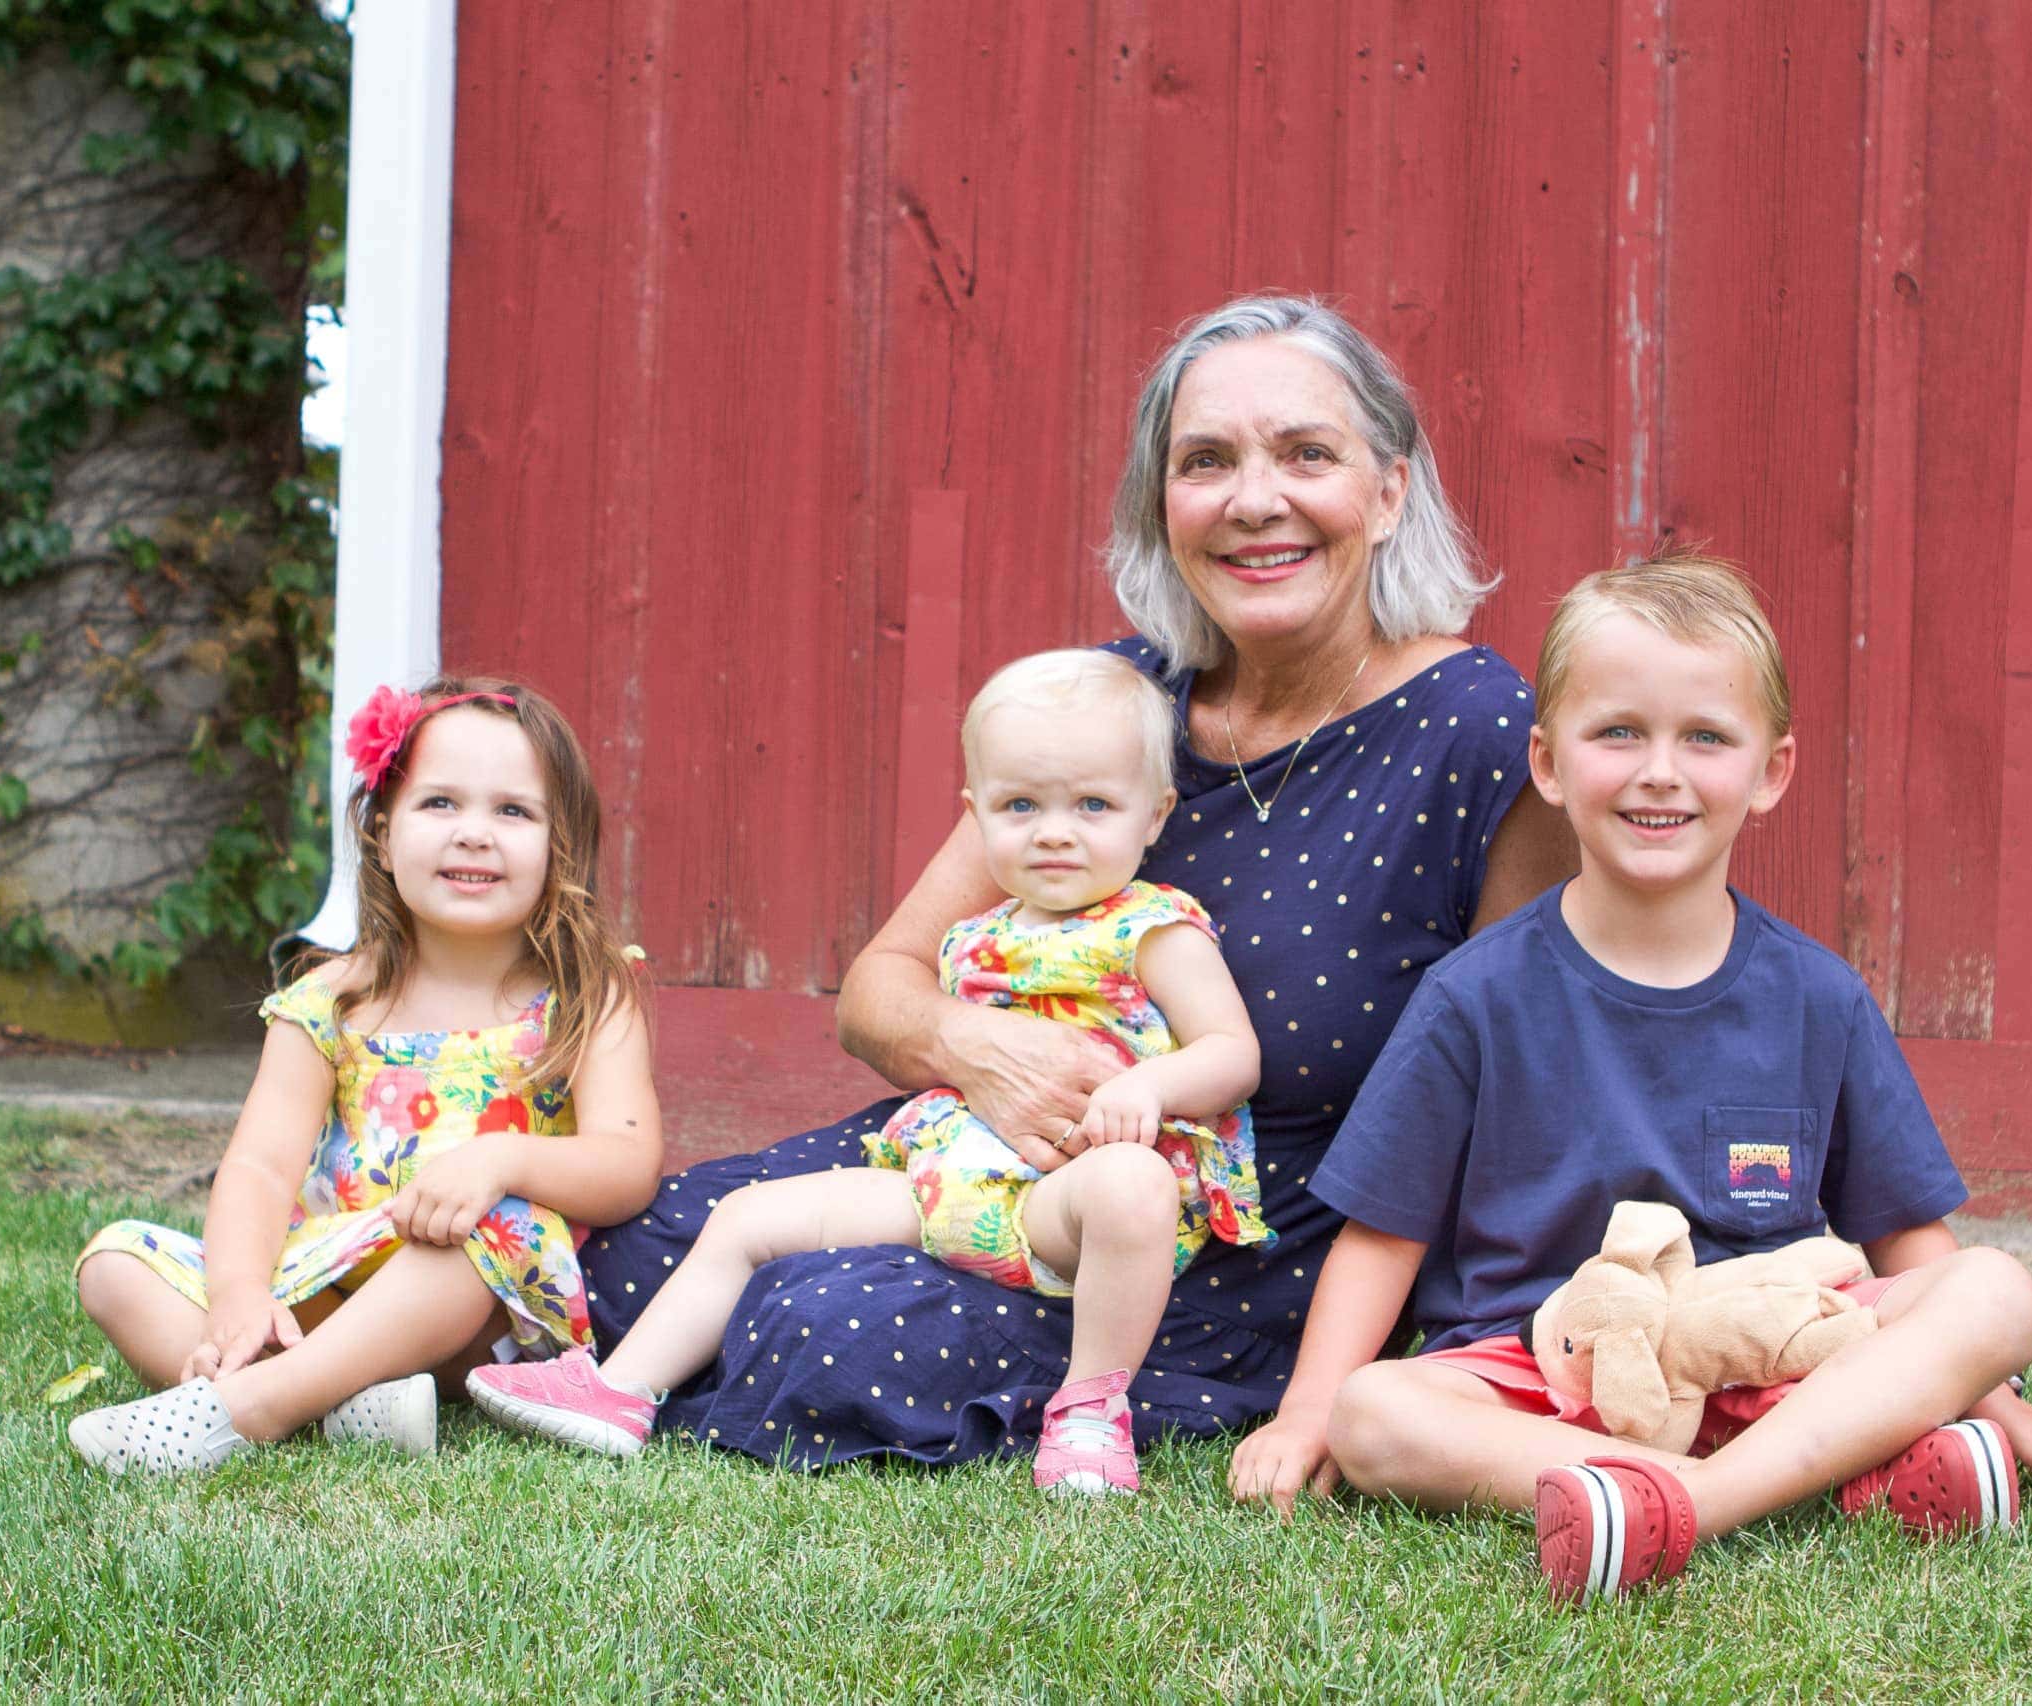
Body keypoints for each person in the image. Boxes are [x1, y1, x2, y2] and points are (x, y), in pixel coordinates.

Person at [574, 295, 1575, 1466]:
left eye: (1307, 454)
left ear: (1389, 491)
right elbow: (878, 988)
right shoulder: (1115, 702)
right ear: (1164, 504)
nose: (1255, 500)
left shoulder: (1475, 733)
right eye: (1206, 462)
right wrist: (980, 1049)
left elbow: (1507, 1081)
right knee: (636, 1241)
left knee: (828, 1326)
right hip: (970, 1149)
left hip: (1210, 1234)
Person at [1227, 548, 2032, 1602]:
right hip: (1539, 1375)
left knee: (1995, 1290)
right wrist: (1310, 1404)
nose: (1658, 771)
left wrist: (1992, 1391)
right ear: (1548, 763)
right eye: (1618, 732)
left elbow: (1907, 1234)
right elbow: (1384, 1232)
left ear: (1769, 770)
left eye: (1704, 737)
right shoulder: (1474, 996)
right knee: (1376, 1415)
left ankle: (1688, 1503)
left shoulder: (1818, 997)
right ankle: (1831, 1469)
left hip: (1770, 1356)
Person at [468, 650, 1267, 1492]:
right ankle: (619, 1391)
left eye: (1093, 805)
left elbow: (1232, 1053)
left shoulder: (1155, 927)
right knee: (746, 1218)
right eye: (1021, 805)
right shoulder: (973, 930)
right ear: (975, 812)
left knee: (1133, 1185)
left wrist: (1145, 1088)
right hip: (946, 1184)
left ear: (1156, 814)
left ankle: (1091, 1413)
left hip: (1068, 1202)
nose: (1055, 830)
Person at [66, 678, 663, 1475]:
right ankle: (344, 1401)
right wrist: (241, 1294)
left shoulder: (588, 994)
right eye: (440, 804)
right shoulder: (330, 1000)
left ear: (563, 846)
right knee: (115, 1266)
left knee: (471, 1235)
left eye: (512, 812)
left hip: (479, 1305)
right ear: (382, 834)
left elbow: (628, 1165)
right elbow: (259, 1166)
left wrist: (500, 1162)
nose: (474, 835)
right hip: (328, 1282)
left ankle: (254, 1407)